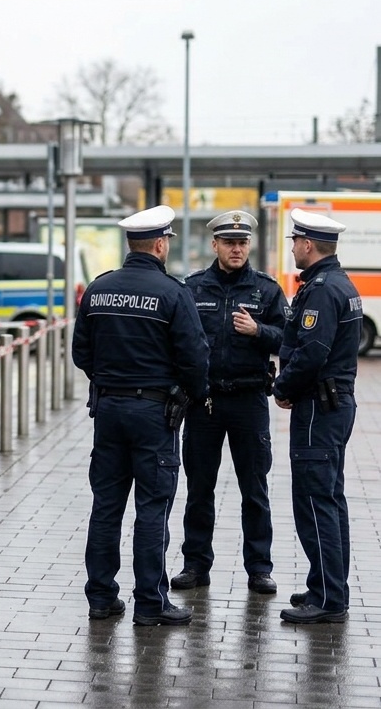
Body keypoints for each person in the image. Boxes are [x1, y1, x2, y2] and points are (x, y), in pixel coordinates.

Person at [73, 205, 210, 626]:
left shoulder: (98, 290)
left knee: (106, 506)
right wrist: (192, 395)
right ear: (159, 243)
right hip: (155, 414)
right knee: (153, 508)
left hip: (109, 410)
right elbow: (195, 357)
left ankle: (101, 598)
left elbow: (82, 353)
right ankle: (150, 603)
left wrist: (111, 380)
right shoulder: (173, 293)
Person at [171, 211, 286, 596]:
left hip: (249, 400)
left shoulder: (266, 291)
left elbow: (289, 342)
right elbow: (179, 343)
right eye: (229, 242)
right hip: (204, 403)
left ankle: (259, 568)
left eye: (242, 243)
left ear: (249, 245)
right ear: (215, 245)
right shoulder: (194, 288)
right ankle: (195, 564)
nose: (236, 249)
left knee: (254, 489)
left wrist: (259, 331)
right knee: (199, 488)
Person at [272, 208, 361, 624]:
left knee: (315, 501)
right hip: (333, 405)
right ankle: (327, 584)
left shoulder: (323, 290)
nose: (293, 247)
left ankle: (327, 598)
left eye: (295, 241)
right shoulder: (336, 283)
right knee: (329, 498)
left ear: (308, 245)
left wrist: (283, 387)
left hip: (318, 409)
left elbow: (312, 352)